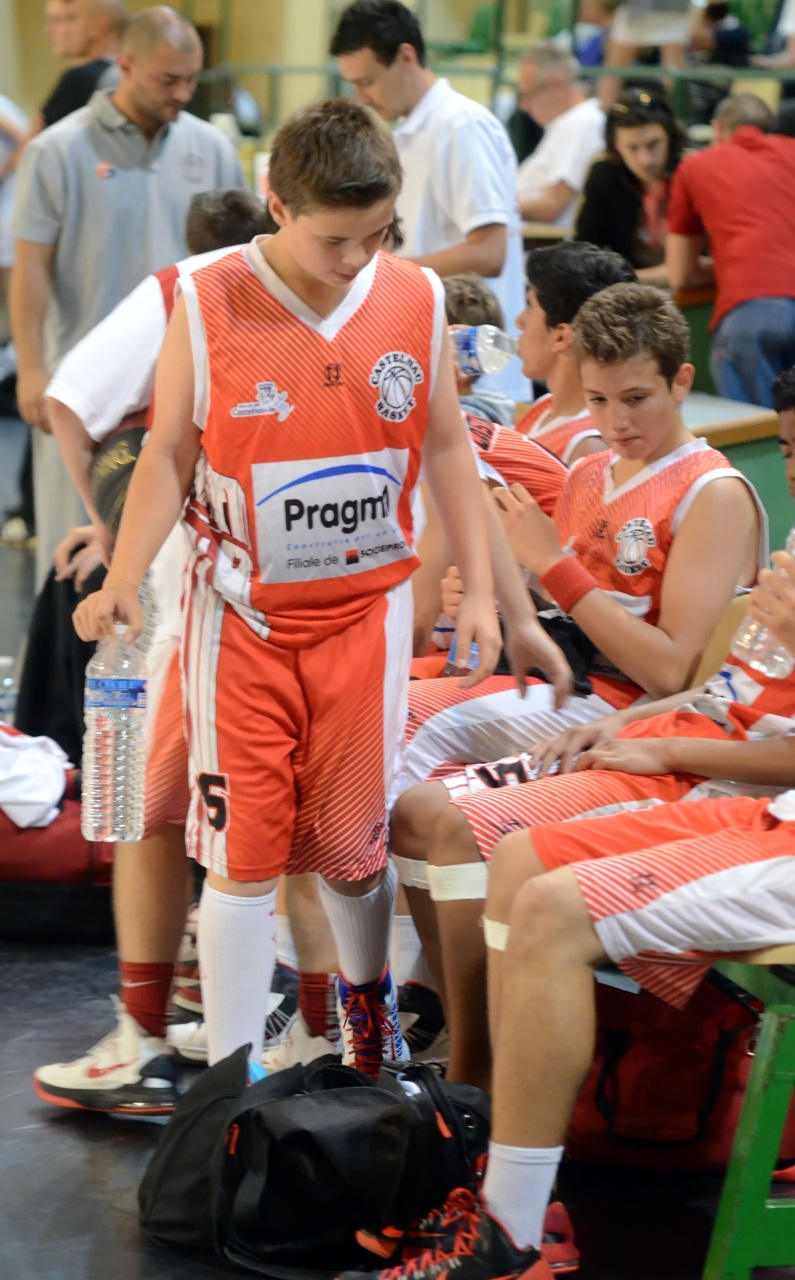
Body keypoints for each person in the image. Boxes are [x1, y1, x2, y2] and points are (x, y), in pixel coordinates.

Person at [69, 100, 503, 1088]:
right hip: (243, 621)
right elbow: (166, 451)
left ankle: (367, 1041)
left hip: (368, 619)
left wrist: (479, 588)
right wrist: (125, 574)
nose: (355, 258)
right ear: (278, 204)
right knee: (245, 857)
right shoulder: (205, 295)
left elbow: (445, 446)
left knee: (352, 851)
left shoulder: (416, 295)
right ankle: (229, 1088)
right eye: (333, 238)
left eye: (375, 234)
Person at [391, 362, 795, 1087]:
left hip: (688, 751)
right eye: (789, 451)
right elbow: (710, 688)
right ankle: (436, 1018)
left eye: (634, 398)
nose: (615, 419)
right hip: (661, 726)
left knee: (447, 797)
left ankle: (467, 1077)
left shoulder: (712, 489)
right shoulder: (586, 471)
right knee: (419, 807)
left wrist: (549, 572)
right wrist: (512, 605)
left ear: (680, 382)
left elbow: (665, 668)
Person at [10, 4, 244, 590]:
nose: (182, 93)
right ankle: (65, 650)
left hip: (181, 392)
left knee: (168, 559)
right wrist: (31, 367)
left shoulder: (212, 147)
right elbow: (29, 266)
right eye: (169, 80)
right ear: (126, 65)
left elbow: (236, 261)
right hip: (83, 388)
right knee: (74, 553)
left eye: (191, 79)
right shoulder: (57, 151)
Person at [331, 0, 527, 401]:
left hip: (478, 374)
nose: (361, 97)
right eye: (352, 84)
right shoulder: (405, 132)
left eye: (367, 81)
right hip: (429, 360)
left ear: (406, 56)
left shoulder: (462, 125)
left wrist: (386, 273)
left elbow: (490, 252)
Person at [665, 92, 795, 407]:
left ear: (717, 130)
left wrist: (733, 263)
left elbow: (680, 274)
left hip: (748, 315)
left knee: (758, 431)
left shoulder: (696, 166)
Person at [575, 87, 685, 283]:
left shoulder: (692, 170)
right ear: (616, 147)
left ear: (670, 138)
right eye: (632, 148)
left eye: (653, 144)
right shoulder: (605, 175)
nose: (645, 160)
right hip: (627, 291)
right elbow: (584, 249)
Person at [513, 42, 606, 229]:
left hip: (539, 240)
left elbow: (552, 206)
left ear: (557, 85)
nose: (523, 106)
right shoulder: (569, 123)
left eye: (527, 94)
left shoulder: (581, 122)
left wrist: (494, 209)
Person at [37, 0, 129, 137]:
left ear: (98, 25)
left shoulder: (78, 79)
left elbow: (33, 146)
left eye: (60, 20)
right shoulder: (130, 72)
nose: (48, 30)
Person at [599, 0, 693, 107]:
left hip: (641, 8)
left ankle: (604, 111)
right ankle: (674, 112)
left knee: (615, 67)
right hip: (672, 7)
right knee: (673, 66)